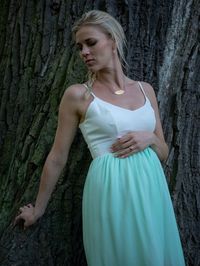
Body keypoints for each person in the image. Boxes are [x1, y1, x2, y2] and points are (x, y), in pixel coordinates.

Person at [15, 10, 185, 266]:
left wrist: (148, 138)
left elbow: (163, 152)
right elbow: (57, 157)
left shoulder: (145, 89)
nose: (84, 52)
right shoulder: (78, 96)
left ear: (113, 41)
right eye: (79, 47)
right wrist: (38, 209)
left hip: (151, 189)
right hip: (110, 190)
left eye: (91, 43)